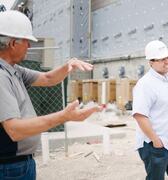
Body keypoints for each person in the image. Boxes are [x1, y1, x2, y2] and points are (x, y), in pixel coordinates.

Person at [0, 10, 101, 179]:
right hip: (9, 168)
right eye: (26, 41)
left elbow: (47, 78)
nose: (29, 46)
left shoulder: (13, 69)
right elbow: (14, 130)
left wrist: (69, 64)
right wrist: (64, 116)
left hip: (19, 164)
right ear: (13, 43)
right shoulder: (1, 76)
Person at [132, 40, 168, 180]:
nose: (167, 61)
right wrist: (156, 140)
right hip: (155, 145)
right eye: (162, 59)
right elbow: (140, 116)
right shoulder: (145, 84)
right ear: (151, 62)